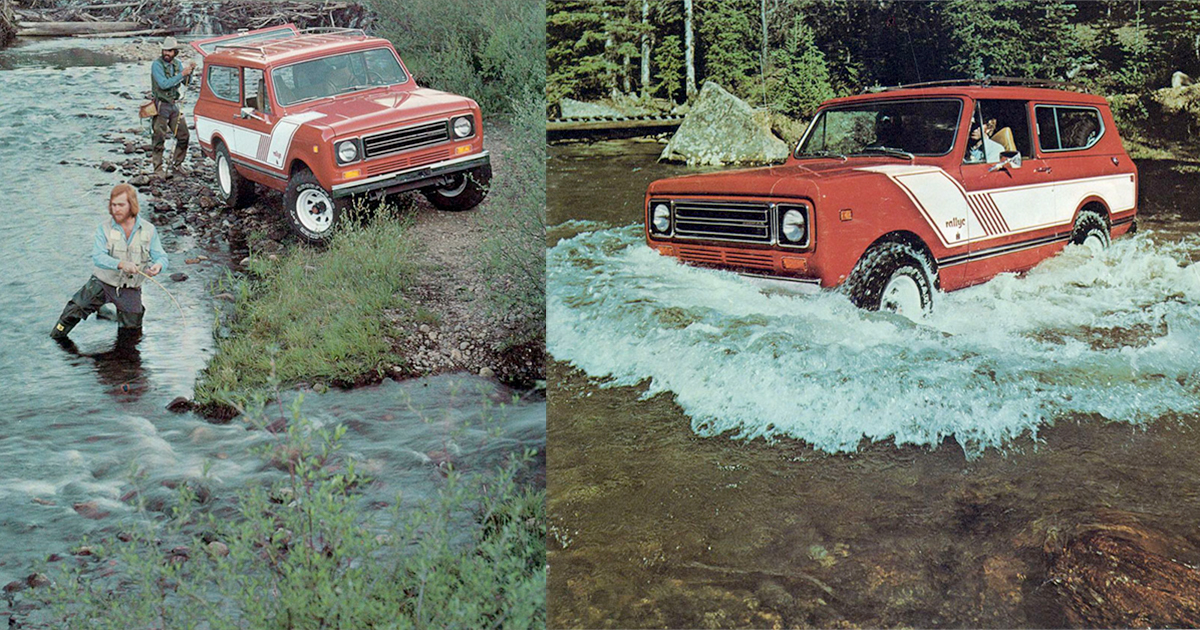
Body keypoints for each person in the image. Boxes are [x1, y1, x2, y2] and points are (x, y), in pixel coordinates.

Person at [51, 184, 168, 339]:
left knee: (131, 335)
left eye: (121, 205)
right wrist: (121, 264)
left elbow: (161, 257)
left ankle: (107, 314)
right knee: (72, 312)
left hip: (130, 289)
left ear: (132, 205)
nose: (116, 209)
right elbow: (98, 257)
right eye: (113, 205)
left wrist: (158, 266)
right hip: (101, 283)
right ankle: (55, 338)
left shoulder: (149, 230)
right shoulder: (103, 229)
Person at [151, 36, 195, 178]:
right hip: (160, 106)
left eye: (170, 51)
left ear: (175, 52)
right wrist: (182, 74)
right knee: (159, 138)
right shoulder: (156, 65)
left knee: (184, 135)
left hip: (173, 105)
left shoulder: (177, 64)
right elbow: (164, 84)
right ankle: (158, 168)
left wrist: (190, 72)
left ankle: (177, 164)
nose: (167, 53)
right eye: (165, 50)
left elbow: (187, 83)